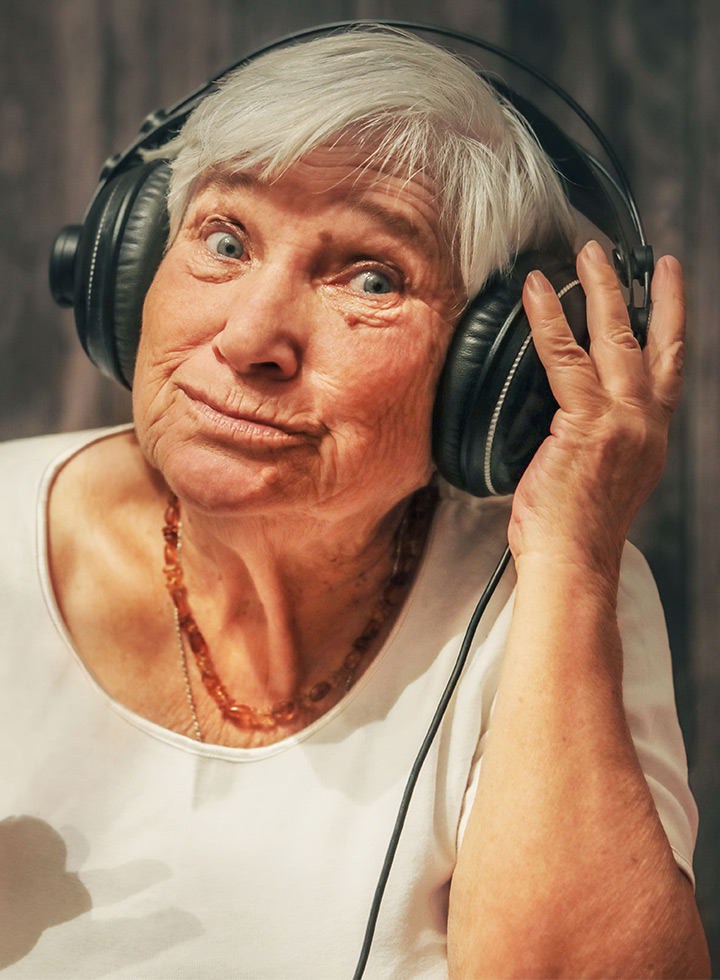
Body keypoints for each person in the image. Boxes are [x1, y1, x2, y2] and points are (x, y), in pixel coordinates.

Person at [0, 26, 710, 979]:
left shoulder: (552, 596)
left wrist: (572, 566)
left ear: (495, 372)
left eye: (371, 277)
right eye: (224, 240)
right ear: (125, 269)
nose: (253, 337)